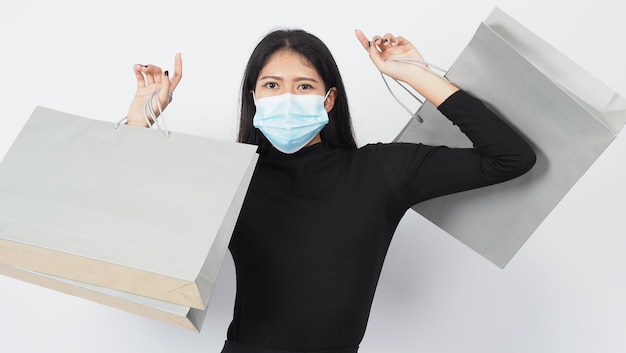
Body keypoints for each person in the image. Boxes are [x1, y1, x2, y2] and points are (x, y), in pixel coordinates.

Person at [125, 28, 536, 353]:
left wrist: (413, 73)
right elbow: (125, 200)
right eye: (271, 86)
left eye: (304, 86)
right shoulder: (231, 177)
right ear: (254, 99)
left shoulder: (381, 170)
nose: (287, 97)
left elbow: (510, 157)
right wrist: (140, 117)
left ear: (329, 99)